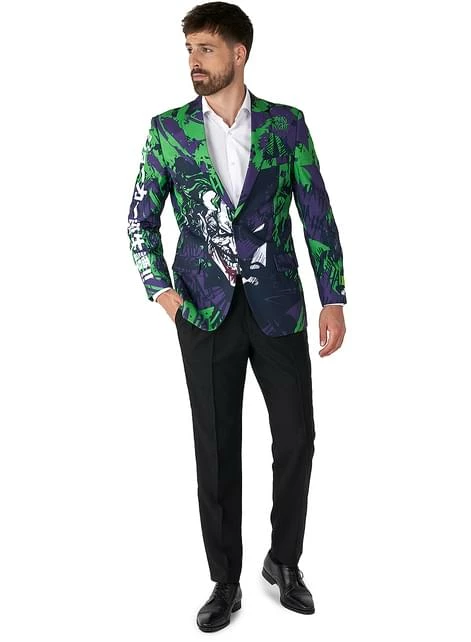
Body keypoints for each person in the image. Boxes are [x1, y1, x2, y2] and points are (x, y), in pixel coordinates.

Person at [127, 1, 347, 632]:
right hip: (202, 312)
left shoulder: (286, 125)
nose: (193, 62)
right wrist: (164, 295)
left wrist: (333, 297)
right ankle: (225, 580)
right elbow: (140, 220)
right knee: (217, 447)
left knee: (297, 439)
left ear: (239, 53)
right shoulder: (168, 131)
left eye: (206, 49)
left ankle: (284, 561)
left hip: (278, 307)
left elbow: (316, 212)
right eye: (189, 50)